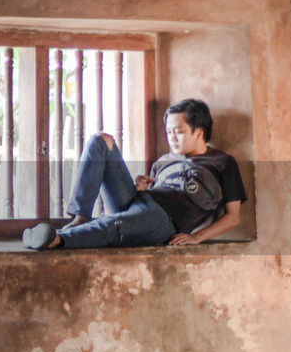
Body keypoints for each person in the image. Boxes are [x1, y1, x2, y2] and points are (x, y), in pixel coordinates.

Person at [22, 98, 245, 250]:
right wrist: (141, 187)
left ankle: (57, 239)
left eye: (178, 132)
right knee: (101, 141)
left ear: (199, 131)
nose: (172, 138)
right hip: (138, 203)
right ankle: (80, 216)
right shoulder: (164, 161)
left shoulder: (222, 163)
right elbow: (153, 193)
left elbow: (233, 216)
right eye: (168, 132)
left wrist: (197, 237)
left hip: (164, 221)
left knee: (114, 224)